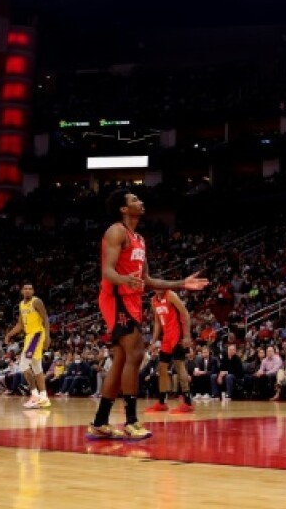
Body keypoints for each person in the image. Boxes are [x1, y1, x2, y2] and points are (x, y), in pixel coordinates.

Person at [88, 189, 208, 441]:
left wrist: (181, 284)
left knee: (121, 359)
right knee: (136, 354)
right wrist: (124, 280)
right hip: (116, 299)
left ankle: (100, 422)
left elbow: (148, 280)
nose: (140, 202)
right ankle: (131, 421)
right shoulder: (116, 231)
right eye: (134, 200)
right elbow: (107, 271)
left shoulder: (140, 239)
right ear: (123, 209)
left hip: (131, 300)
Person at [3, 284, 52, 409]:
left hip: (37, 335)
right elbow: (20, 325)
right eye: (25, 289)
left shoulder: (36, 302)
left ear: (33, 291)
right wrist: (9, 334)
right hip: (29, 336)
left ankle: (35, 395)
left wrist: (47, 336)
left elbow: (46, 319)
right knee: (37, 367)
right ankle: (44, 398)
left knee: (24, 365)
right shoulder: (21, 305)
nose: (28, 290)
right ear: (21, 291)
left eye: (30, 289)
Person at [147, 288, 194, 414]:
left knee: (179, 366)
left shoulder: (171, 295)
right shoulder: (153, 300)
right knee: (162, 368)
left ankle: (188, 403)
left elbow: (185, 313)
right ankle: (162, 402)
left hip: (177, 334)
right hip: (166, 337)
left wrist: (187, 336)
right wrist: (153, 341)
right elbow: (157, 323)